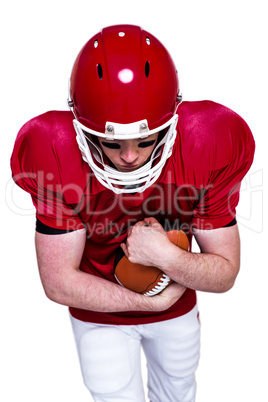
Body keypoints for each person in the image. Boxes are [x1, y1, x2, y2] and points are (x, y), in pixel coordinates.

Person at [10, 24, 255, 402]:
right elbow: (58, 281)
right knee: (113, 393)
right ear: (85, 130)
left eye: (144, 139)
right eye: (112, 142)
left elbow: (225, 274)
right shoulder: (53, 149)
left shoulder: (208, 139)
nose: (129, 156)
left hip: (176, 308)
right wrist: (150, 302)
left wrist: (164, 256)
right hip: (100, 315)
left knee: (178, 387)